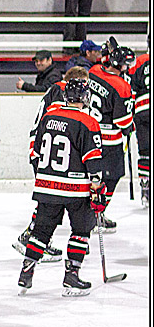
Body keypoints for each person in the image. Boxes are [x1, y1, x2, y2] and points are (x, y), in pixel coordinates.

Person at [18, 78, 104, 296]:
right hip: (74, 188)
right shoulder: (88, 122)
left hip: (47, 186)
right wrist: (97, 187)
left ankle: (26, 271)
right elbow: (93, 161)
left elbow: (36, 151)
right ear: (85, 98)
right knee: (82, 229)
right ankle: (72, 275)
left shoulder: (49, 117)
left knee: (41, 230)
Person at [14, 65, 92, 260]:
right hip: (45, 151)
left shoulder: (56, 89)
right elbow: (60, 123)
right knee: (50, 199)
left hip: (43, 149)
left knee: (49, 198)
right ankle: (33, 237)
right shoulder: (61, 91)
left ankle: (34, 237)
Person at [87, 39, 135, 231]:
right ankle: (97, 213)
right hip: (109, 140)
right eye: (125, 64)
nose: (127, 67)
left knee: (92, 177)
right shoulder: (121, 86)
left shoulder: (94, 72)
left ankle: (89, 214)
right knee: (112, 177)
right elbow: (122, 121)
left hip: (90, 135)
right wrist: (129, 126)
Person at [129, 46, 150, 207]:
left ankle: (145, 187)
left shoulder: (141, 60)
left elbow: (131, 88)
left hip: (142, 111)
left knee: (144, 152)